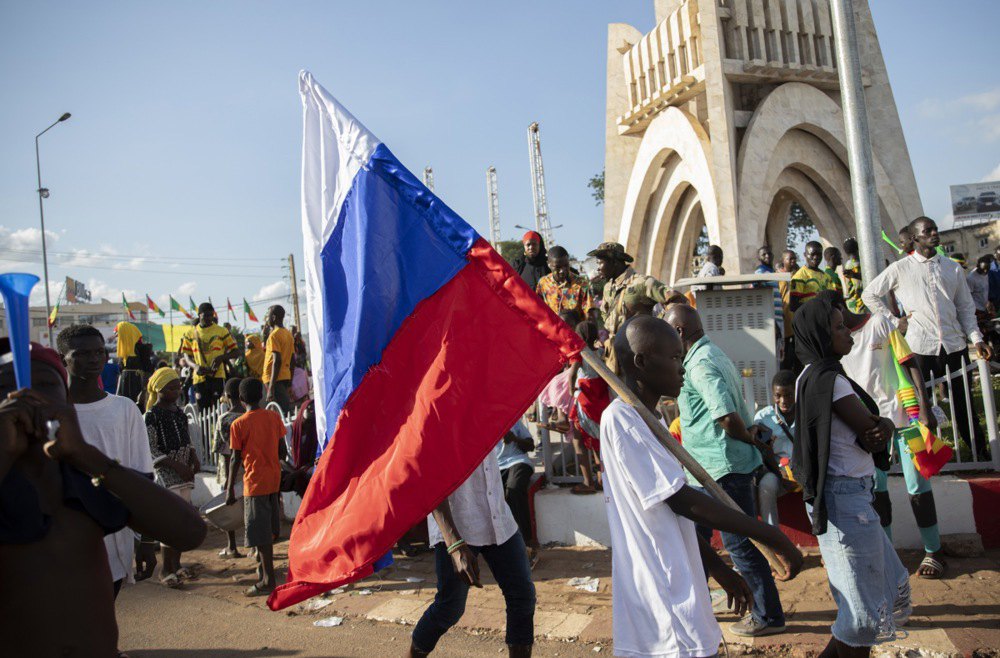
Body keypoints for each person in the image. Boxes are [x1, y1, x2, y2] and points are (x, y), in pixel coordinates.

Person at [600, 316, 802, 658]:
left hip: (678, 580)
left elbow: (670, 510)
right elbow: (680, 501)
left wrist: (717, 567)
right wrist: (772, 535)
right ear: (642, 362)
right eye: (675, 358)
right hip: (661, 593)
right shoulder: (622, 420)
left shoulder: (653, 418)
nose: (682, 368)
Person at [0, 338, 206, 658]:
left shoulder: (82, 480)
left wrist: (86, 454)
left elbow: (189, 531)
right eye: (6, 390)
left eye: (43, 386)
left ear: (67, 402)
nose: (27, 400)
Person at [793, 296, 912, 657]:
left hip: (842, 497)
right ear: (820, 334)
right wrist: (889, 422)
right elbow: (871, 430)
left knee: (881, 593)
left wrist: (882, 427)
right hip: (847, 501)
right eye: (840, 326)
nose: (849, 332)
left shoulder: (809, 375)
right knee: (862, 618)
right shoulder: (834, 382)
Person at [664, 304, 788, 637]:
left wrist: (748, 438)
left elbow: (727, 418)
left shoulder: (701, 365)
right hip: (707, 467)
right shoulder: (711, 353)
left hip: (721, 468)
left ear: (678, 333)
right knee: (694, 541)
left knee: (740, 544)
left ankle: (768, 614)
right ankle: (695, 605)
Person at [829, 293, 946, 579]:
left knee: (918, 485)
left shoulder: (879, 322)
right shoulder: (835, 342)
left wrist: (925, 406)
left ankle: (934, 552)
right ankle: (887, 553)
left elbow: (908, 362)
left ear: (841, 309)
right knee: (877, 492)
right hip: (869, 424)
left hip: (905, 417)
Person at [863, 216, 992, 460]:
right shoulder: (901, 268)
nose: (934, 233)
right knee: (916, 407)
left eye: (935, 229)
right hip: (919, 347)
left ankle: (979, 453)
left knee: (963, 403)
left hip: (954, 345)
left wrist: (976, 339)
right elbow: (869, 293)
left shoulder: (952, 267)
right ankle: (922, 458)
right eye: (927, 230)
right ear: (915, 238)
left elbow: (965, 308)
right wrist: (893, 321)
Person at [58, 324, 156, 607]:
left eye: (99, 352)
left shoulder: (124, 409)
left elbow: (142, 478)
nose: (94, 359)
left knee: (104, 606)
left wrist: (146, 540)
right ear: (62, 356)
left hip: (115, 537)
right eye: (83, 353)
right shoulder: (50, 411)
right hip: (65, 537)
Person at [409, 443, 536, 657]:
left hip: (498, 517)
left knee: (522, 596)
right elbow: (430, 480)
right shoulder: (437, 416)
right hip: (457, 523)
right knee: (450, 607)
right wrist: (455, 544)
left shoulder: (487, 411)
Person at [225, 378, 289, 596]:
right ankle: (264, 573)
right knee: (268, 532)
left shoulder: (239, 424)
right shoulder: (273, 417)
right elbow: (283, 451)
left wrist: (228, 489)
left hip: (254, 484)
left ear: (241, 399)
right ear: (261, 395)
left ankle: (267, 581)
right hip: (273, 481)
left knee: (260, 536)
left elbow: (234, 459)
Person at [587, 241, 686, 372]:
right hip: (614, 355)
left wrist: (659, 324)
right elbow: (605, 316)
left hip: (638, 353)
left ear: (615, 262)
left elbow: (676, 299)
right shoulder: (607, 288)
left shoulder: (642, 283)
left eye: (600, 262)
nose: (598, 268)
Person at [145, 367, 201, 588]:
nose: (177, 390)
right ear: (159, 389)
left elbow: (186, 438)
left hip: (184, 472)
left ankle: (176, 566)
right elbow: (151, 448)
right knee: (170, 523)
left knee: (181, 521)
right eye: (171, 387)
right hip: (167, 474)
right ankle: (166, 570)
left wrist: (194, 457)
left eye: (178, 386)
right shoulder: (151, 416)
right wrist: (177, 465)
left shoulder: (179, 413)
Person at [752, 370, 798, 528]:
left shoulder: (807, 414)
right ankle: (774, 537)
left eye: (789, 395)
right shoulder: (764, 419)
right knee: (766, 486)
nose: (783, 401)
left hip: (804, 469)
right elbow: (763, 453)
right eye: (778, 396)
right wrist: (780, 474)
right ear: (773, 395)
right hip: (777, 470)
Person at [179, 302, 240, 410]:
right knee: (203, 411)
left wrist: (221, 357)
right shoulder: (190, 333)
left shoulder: (221, 331)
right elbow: (187, 356)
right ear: (199, 315)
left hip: (217, 376)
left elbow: (236, 352)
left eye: (211, 315)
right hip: (199, 378)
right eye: (205, 315)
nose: (209, 318)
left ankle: (218, 427)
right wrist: (195, 366)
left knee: (219, 408)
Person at [496, 420, 539, 566]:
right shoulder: (479, 421)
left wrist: (514, 438)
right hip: (493, 467)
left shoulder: (512, 418)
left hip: (517, 461)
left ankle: (527, 544)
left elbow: (530, 446)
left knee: (513, 491)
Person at [215, 377, 245, 558]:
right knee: (249, 506)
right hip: (248, 467)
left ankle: (231, 546)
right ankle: (255, 547)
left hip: (229, 468)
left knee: (228, 507)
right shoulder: (249, 416)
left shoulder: (224, 419)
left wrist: (228, 479)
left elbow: (224, 451)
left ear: (227, 396)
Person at [535, 246, 595, 321]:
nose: (562, 271)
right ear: (549, 264)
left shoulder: (581, 284)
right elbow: (538, 311)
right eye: (558, 267)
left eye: (566, 266)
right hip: (552, 331)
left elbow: (589, 314)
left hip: (574, 331)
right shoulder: (543, 283)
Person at [263, 305, 295, 414]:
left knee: (280, 412)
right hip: (285, 376)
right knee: (281, 409)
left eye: (268, 316)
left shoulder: (274, 336)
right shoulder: (288, 334)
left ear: (273, 317)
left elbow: (277, 360)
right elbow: (292, 359)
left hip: (274, 378)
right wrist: (290, 381)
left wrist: (271, 387)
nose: (267, 319)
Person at [790, 241, 836, 313]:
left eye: (819, 254)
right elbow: (793, 305)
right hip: (809, 320)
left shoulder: (826, 276)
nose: (815, 257)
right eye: (812, 254)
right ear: (805, 255)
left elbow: (833, 299)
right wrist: (815, 308)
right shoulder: (799, 277)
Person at [778, 249, 801, 372]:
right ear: (783, 261)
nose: (792, 261)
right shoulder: (778, 278)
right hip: (783, 326)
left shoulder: (796, 277)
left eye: (794, 259)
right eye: (789, 259)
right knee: (785, 360)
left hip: (795, 325)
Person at [842, 238, 866, 314]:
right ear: (858, 248)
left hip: (854, 301)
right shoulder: (862, 263)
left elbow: (848, 286)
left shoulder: (848, 265)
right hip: (860, 301)